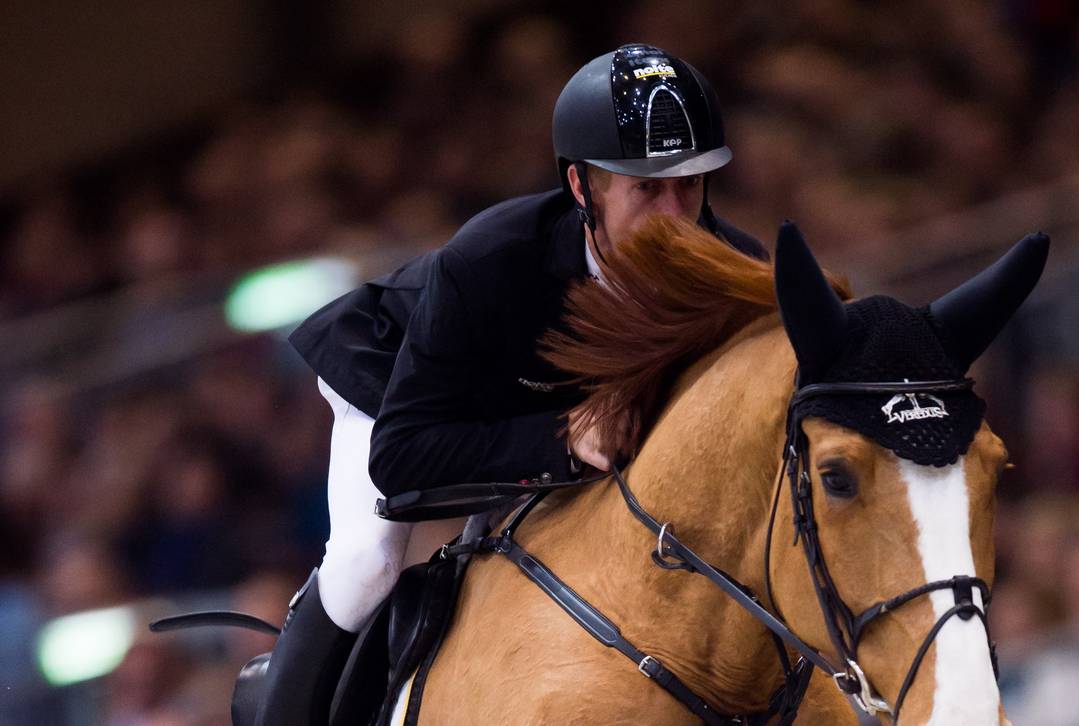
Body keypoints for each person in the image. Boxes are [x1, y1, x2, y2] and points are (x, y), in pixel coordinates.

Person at [248, 43, 767, 725]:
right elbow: (403, 455)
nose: (676, 217)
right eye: (647, 188)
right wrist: (564, 435)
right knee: (367, 561)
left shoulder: (733, 268)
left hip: (539, 408)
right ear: (583, 187)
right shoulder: (493, 259)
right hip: (401, 386)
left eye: (691, 186)